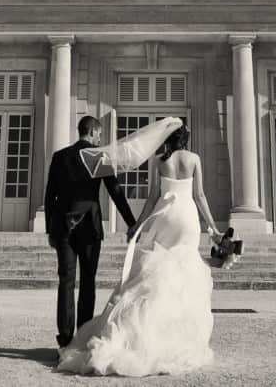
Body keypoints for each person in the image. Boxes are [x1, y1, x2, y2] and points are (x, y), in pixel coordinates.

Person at [57, 121, 221, 376]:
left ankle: (130, 334)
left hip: (165, 215)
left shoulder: (159, 161)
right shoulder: (194, 159)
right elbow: (199, 196)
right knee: (183, 272)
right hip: (187, 218)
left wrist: (138, 225)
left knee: (153, 273)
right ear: (185, 138)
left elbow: (153, 197)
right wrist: (213, 229)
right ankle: (172, 338)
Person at [44, 115, 139, 350]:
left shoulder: (60, 156)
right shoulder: (98, 155)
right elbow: (115, 191)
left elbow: (49, 197)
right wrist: (131, 222)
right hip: (90, 227)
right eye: (99, 134)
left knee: (65, 282)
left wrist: (50, 229)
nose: (100, 138)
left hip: (64, 227)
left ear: (80, 131)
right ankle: (83, 338)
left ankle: (65, 340)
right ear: (94, 132)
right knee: (88, 282)